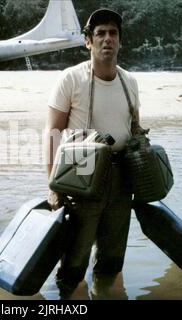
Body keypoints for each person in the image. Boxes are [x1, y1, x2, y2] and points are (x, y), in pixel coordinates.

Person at [45, 9, 141, 299]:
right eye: (100, 33)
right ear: (88, 41)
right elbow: (52, 131)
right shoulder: (70, 79)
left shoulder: (130, 82)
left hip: (121, 179)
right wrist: (53, 185)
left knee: (111, 263)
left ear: (120, 41)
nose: (107, 39)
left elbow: (135, 130)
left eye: (113, 33)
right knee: (73, 263)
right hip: (81, 178)